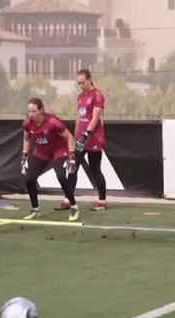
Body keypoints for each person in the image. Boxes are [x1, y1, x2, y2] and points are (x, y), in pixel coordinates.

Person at [21, 98, 79, 221]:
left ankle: (74, 206)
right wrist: (24, 155)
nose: (31, 114)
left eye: (34, 111)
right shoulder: (27, 123)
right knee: (30, 178)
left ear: (41, 110)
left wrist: (72, 155)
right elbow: (26, 139)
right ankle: (35, 209)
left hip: (59, 149)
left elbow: (69, 137)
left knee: (61, 176)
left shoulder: (53, 122)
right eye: (29, 111)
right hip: (43, 150)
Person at [67, 68, 108, 212]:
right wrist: (76, 135)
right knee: (73, 166)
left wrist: (86, 134)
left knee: (95, 169)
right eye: (78, 83)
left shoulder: (97, 95)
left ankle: (102, 201)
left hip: (94, 138)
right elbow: (79, 117)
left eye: (83, 82)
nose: (81, 85)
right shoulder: (80, 97)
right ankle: (69, 199)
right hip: (80, 139)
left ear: (90, 79)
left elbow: (96, 118)